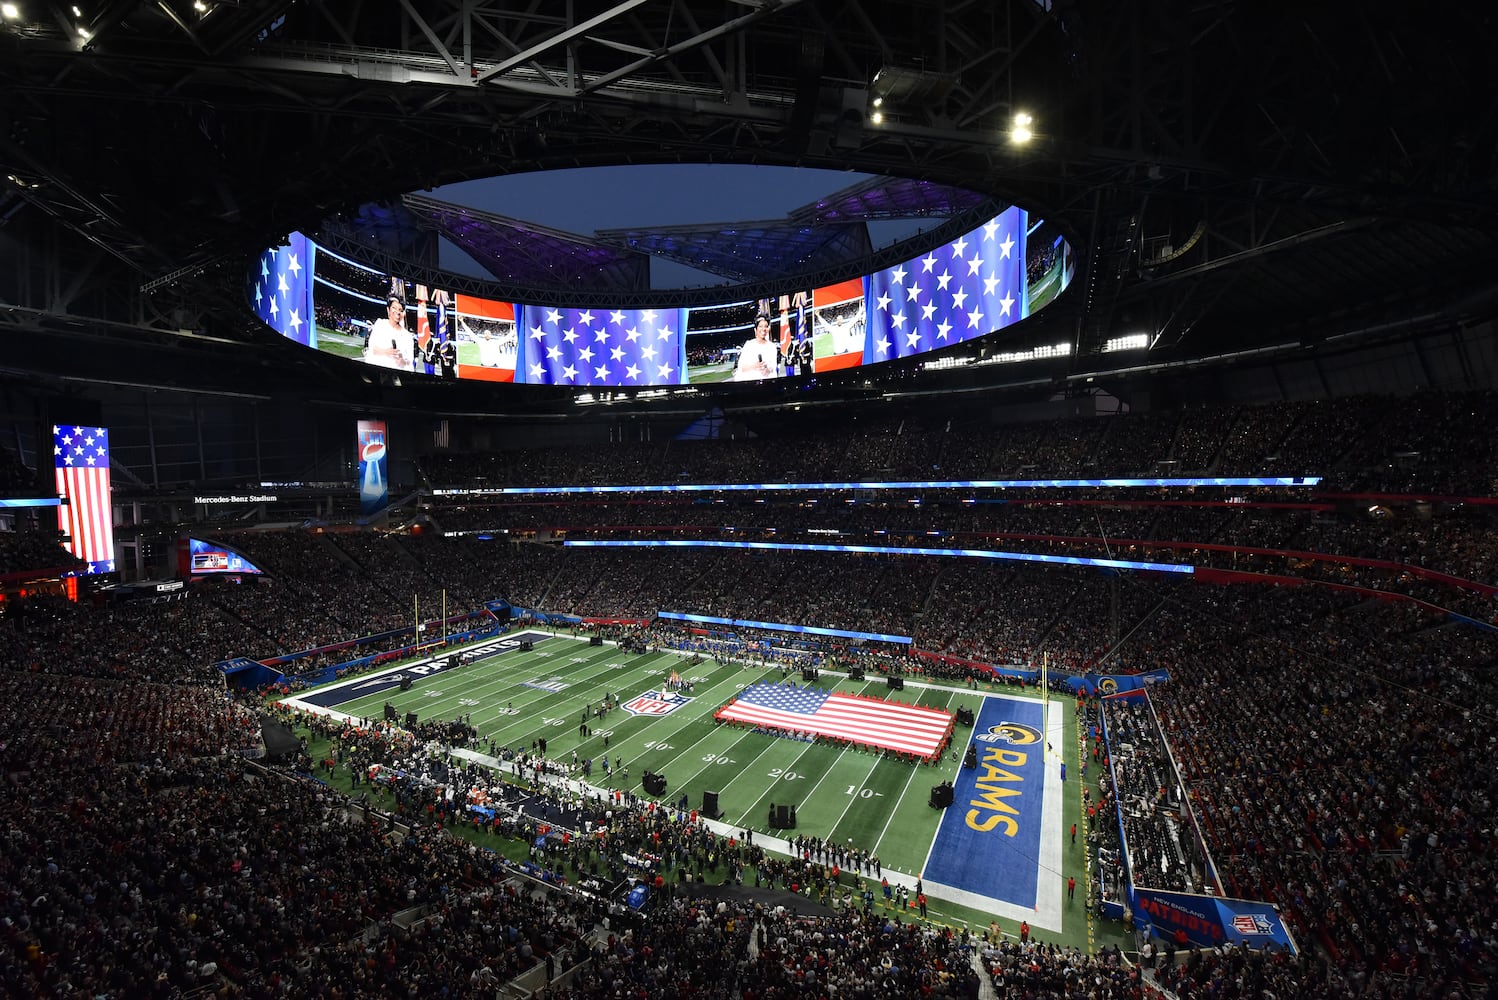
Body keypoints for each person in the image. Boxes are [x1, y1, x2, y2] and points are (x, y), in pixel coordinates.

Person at [364, 293, 413, 370]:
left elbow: (409, 361)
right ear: (388, 309)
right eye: (394, 308)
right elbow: (372, 348)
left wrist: (402, 361)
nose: (397, 312)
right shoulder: (380, 324)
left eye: (400, 310)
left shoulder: (408, 336)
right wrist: (386, 352)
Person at [733, 313, 779, 380]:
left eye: (766, 326)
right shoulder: (749, 345)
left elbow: (773, 368)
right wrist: (755, 366)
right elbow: (741, 367)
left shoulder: (772, 347)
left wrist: (767, 370)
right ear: (755, 329)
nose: (763, 329)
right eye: (760, 326)